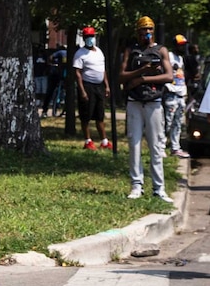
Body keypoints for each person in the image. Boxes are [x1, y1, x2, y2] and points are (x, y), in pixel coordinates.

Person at [119, 16, 174, 202]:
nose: (146, 33)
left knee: (156, 146)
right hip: (134, 102)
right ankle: (137, 185)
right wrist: (142, 71)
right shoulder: (131, 50)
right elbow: (122, 76)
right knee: (134, 144)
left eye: (149, 29)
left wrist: (144, 79)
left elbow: (168, 76)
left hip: (154, 103)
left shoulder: (161, 50)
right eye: (143, 29)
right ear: (138, 32)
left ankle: (159, 188)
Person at [73, 26, 112, 150]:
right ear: (84, 38)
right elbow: (78, 73)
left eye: (92, 36)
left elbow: (102, 70)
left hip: (99, 86)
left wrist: (106, 85)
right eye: (87, 37)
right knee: (86, 114)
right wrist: (82, 91)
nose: (90, 39)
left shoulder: (99, 51)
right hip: (87, 85)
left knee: (100, 114)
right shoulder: (80, 54)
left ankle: (104, 141)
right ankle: (88, 141)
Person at [162, 34, 191, 159]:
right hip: (171, 92)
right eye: (180, 45)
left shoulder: (180, 58)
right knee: (167, 122)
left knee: (178, 123)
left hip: (180, 93)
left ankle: (175, 147)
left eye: (184, 45)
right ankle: (161, 147)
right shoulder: (168, 55)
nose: (183, 47)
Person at [41, 44, 67, 117]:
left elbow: (50, 57)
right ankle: (47, 109)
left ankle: (45, 110)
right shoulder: (64, 53)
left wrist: (50, 63)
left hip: (58, 74)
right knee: (52, 91)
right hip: (59, 74)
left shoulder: (61, 52)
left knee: (50, 91)